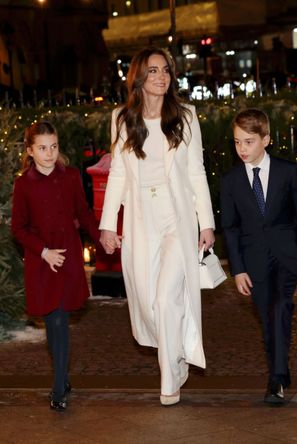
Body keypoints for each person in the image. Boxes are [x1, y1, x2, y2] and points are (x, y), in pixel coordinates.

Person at [99, 47, 215, 405]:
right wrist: (107, 224)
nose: (162, 76)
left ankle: (170, 379)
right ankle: (174, 355)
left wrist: (206, 223)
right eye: (153, 71)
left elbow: (196, 172)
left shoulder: (186, 117)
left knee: (166, 297)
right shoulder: (122, 118)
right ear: (138, 78)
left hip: (175, 217)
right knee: (149, 301)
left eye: (166, 70)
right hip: (140, 219)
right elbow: (117, 174)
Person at [220, 108, 297, 404]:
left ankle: (275, 380)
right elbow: (231, 228)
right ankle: (280, 368)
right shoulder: (231, 180)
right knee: (268, 318)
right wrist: (237, 269)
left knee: (281, 309)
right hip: (254, 261)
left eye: (249, 142)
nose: (242, 149)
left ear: (266, 140)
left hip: (287, 255)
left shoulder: (288, 172)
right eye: (237, 142)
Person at [11, 121, 102, 412]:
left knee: (61, 321)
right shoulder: (24, 184)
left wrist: (104, 239)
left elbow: (84, 213)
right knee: (52, 325)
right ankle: (62, 374)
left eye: (54, 146)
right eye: (42, 148)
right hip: (42, 264)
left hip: (69, 260)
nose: (49, 153)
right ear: (30, 151)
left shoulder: (71, 177)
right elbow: (19, 228)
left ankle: (58, 388)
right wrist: (43, 251)